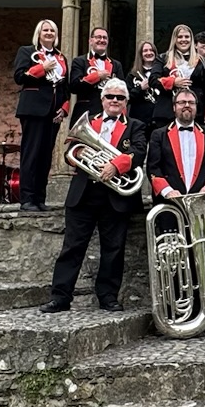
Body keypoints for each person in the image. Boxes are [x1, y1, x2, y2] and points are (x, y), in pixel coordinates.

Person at [41, 79, 146, 313]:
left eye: (120, 97)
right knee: (72, 246)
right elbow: (71, 152)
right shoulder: (89, 122)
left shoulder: (135, 125)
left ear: (126, 102)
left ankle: (108, 297)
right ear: (102, 99)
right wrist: (82, 160)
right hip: (84, 193)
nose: (114, 101)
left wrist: (116, 167)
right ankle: (60, 296)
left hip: (115, 196)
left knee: (113, 249)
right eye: (110, 96)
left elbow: (138, 152)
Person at [10, 18, 68, 212]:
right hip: (33, 109)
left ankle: (40, 198)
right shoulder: (27, 51)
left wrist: (64, 108)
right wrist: (42, 69)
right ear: (39, 33)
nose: (49, 33)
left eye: (52, 30)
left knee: (45, 156)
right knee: (31, 154)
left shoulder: (61, 57)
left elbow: (64, 86)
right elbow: (19, 77)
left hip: (53, 112)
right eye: (46, 30)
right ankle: (27, 199)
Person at [147, 87, 205, 201]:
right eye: (182, 102)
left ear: (196, 107)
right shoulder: (158, 135)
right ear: (174, 107)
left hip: (202, 202)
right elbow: (153, 167)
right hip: (169, 203)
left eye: (191, 103)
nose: (187, 105)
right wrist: (168, 191)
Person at [153, 24, 205, 126]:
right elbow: (153, 80)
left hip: (194, 112)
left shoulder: (200, 61)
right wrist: (173, 82)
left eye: (187, 37)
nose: (183, 40)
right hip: (167, 112)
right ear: (174, 39)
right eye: (180, 37)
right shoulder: (163, 58)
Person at [68, 26, 122, 125]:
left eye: (104, 38)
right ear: (90, 40)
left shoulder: (116, 64)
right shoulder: (79, 61)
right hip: (85, 113)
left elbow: (122, 91)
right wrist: (97, 76)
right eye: (98, 37)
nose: (102, 40)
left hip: (109, 114)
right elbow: (74, 87)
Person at [128, 40, 162, 123]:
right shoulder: (132, 75)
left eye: (151, 50)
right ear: (140, 55)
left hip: (159, 119)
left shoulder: (162, 72)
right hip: (139, 120)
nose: (149, 53)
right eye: (145, 51)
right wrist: (140, 88)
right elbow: (127, 98)